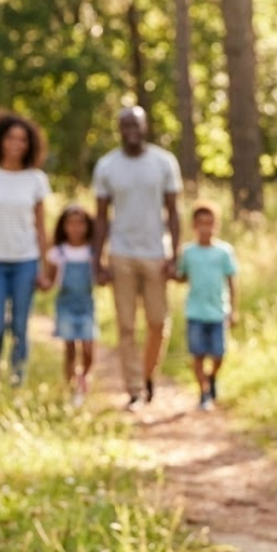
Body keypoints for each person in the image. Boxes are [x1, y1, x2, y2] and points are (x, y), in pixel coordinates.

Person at [92, 106, 182, 410]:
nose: (131, 129)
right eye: (125, 124)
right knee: (127, 325)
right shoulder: (107, 166)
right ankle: (133, 389)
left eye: (136, 124)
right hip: (121, 255)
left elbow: (174, 211)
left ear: (146, 126)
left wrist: (175, 255)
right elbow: (101, 218)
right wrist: (98, 261)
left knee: (158, 322)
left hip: (156, 253)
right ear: (119, 128)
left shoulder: (163, 162)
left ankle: (147, 374)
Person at [0, 111, 51, 386]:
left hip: (25, 261)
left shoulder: (36, 179)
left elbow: (41, 227)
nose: (16, 144)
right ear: (0, 140)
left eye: (23, 140)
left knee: (19, 326)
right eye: (11, 138)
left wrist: (46, 268)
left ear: (30, 144)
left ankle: (17, 381)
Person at [176, 201, 238, 411]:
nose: (205, 228)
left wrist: (233, 309)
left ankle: (212, 378)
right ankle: (203, 393)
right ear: (194, 225)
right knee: (198, 355)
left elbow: (231, 281)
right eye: (201, 223)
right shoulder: (188, 252)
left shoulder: (224, 252)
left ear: (216, 225)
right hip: (195, 312)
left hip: (218, 311)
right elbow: (182, 276)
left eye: (210, 223)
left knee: (219, 354)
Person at [45, 204, 97, 406]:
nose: (76, 228)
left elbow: (100, 275)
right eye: (71, 223)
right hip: (65, 304)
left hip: (87, 305)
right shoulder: (58, 252)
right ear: (64, 226)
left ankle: (84, 378)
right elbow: (50, 280)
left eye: (80, 223)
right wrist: (41, 283)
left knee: (88, 349)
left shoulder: (92, 251)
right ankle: (70, 387)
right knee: (70, 349)